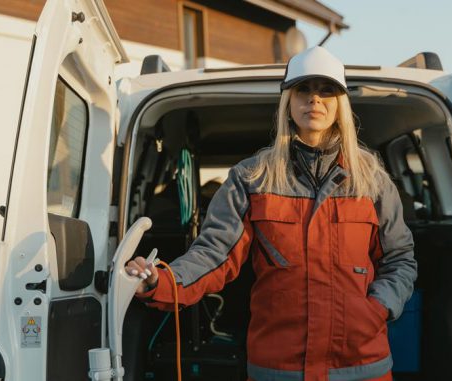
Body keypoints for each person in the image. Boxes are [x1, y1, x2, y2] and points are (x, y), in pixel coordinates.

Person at [126, 46, 417, 381]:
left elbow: (400, 259)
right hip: (279, 368)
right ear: (288, 102)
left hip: (361, 366)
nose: (315, 100)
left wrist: (377, 310)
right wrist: (160, 280)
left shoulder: (373, 181)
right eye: (304, 90)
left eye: (326, 91)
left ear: (340, 105)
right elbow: (214, 254)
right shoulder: (251, 178)